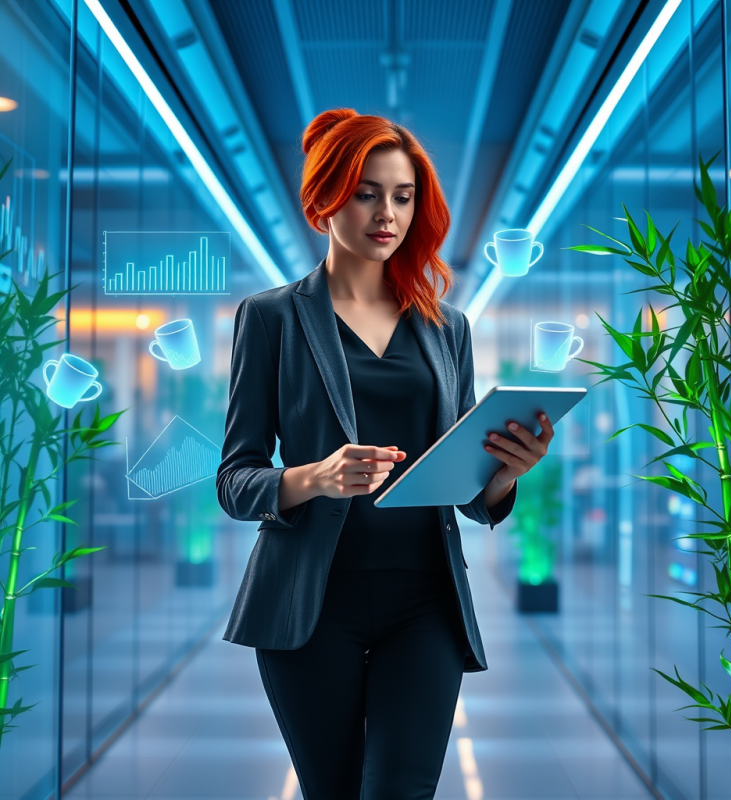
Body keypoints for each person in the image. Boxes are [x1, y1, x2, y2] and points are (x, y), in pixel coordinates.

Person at [216, 108, 554, 800]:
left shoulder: (446, 328)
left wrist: (503, 475)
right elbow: (234, 478)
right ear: (326, 196)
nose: (387, 213)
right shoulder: (271, 317)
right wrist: (315, 476)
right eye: (367, 192)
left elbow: (466, 488)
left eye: (403, 197)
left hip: (425, 600)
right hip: (310, 602)